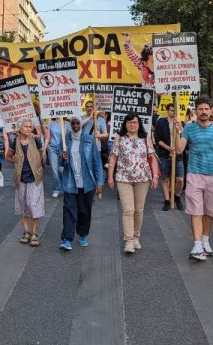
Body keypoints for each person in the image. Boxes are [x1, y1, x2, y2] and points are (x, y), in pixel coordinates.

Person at [175, 95, 213, 262]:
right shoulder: (189, 128)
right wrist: (177, 132)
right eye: (200, 109)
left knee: (210, 211)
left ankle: (205, 240)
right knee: (195, 210)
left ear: (210, 110)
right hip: (194, 174)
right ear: (196, 111)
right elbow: (179, 150)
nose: (204, 112)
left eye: (206, 109)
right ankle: (197, 244)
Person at [107, 113, 159, 254]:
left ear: (139, 124)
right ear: (125, 124)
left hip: (142, 178)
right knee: (128, 210)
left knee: (139, 210)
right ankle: (128, 241)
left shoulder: (145, 138)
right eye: (129, 122)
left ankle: (136, 237)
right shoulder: (120, 138)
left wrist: (155, 176)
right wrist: (110, 177)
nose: (132, 124)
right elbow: (113, 158)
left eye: (135, 122)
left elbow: (152, 158)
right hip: (123, 178)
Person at [59, 117, 103, 250]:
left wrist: (100, 182)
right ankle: (67, 239)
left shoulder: (89, 139)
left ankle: (83, 234)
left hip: (87, 182)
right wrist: (63, 158)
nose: (75, 125)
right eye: (73, 123)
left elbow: (96, 162)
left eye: (78, 123)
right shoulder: (65, 139)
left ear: (81, 124)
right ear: (70, 124)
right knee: (69, 210)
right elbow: (61, 164)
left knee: (84, 211)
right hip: (70, 182)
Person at [4, 118, 46, 248]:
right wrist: (17, 161)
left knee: (32, 204)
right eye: (26, 126)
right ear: (20, 128)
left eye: (30, 126)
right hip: (20, 178)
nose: (29, 128)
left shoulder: (36, 140)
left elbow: (41, 155)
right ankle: (26, 231)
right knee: (23, 206)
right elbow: (7, 156)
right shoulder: (14, 141)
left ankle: (34, 233)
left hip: (34, 177)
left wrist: (38, 166)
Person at [154, 103, 184, 211]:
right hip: (164, 154)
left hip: (178, 156)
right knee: (165, 178)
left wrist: (180, 129)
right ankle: (167, 200)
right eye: (171, 110)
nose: (173, 113)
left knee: (180, 179)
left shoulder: (181, 123)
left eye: (175, 111)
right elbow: (157, 139)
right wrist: (168, 148)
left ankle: (176, 196)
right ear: (167, 111)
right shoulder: (161, 122)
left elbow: (184, 139)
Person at [45, 117, 68, 198]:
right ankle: (56, 189)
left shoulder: (67, 124)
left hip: (64, 149)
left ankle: (65, 187)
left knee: (62, 169)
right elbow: (48, 137)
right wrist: (45, 148)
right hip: (53, 148)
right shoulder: (51, 123)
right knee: (54, 170)